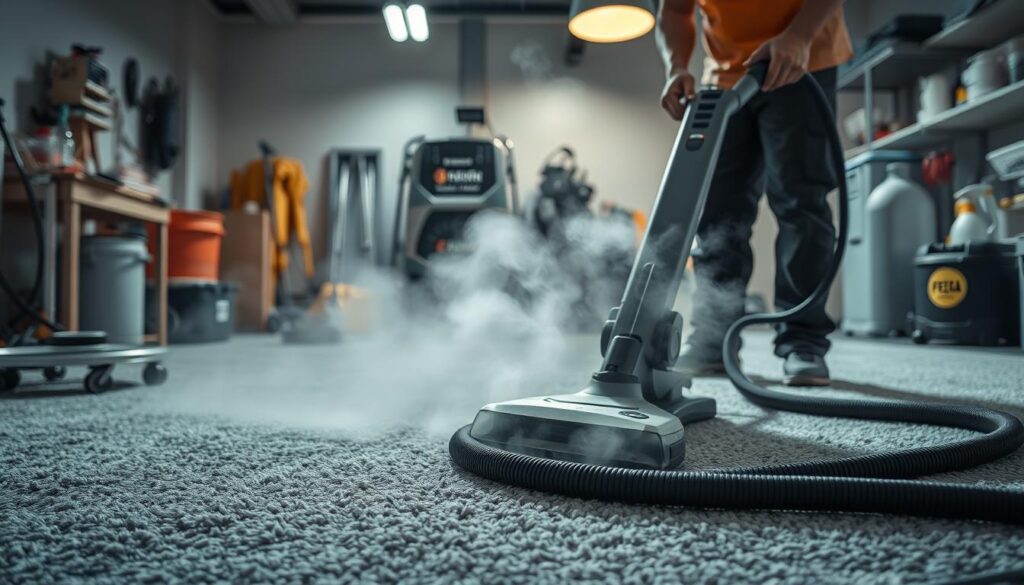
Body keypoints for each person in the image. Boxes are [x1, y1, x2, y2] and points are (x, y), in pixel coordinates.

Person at [656, 0, 852, 385]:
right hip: (725, 77)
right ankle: (714, 339)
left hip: (802, 58)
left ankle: (802, 341)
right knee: (716, 215)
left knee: (800, 203)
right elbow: (674, 11)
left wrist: (798, 37)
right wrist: (676, 65)